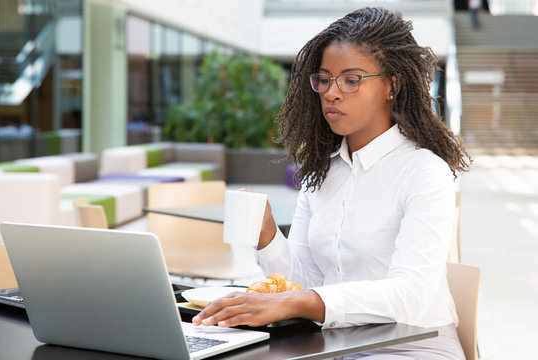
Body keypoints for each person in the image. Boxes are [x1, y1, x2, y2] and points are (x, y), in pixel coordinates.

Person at [193, 7, 471, 359]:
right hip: (333, 343)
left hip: (411, 345)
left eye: (351, 79)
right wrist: (267, 239)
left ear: (392, 85)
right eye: (324, 79)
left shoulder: (424, 172)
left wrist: (304, 301)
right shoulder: (322, 173)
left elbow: (411, 295)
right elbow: (306, 282)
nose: (331, 93)